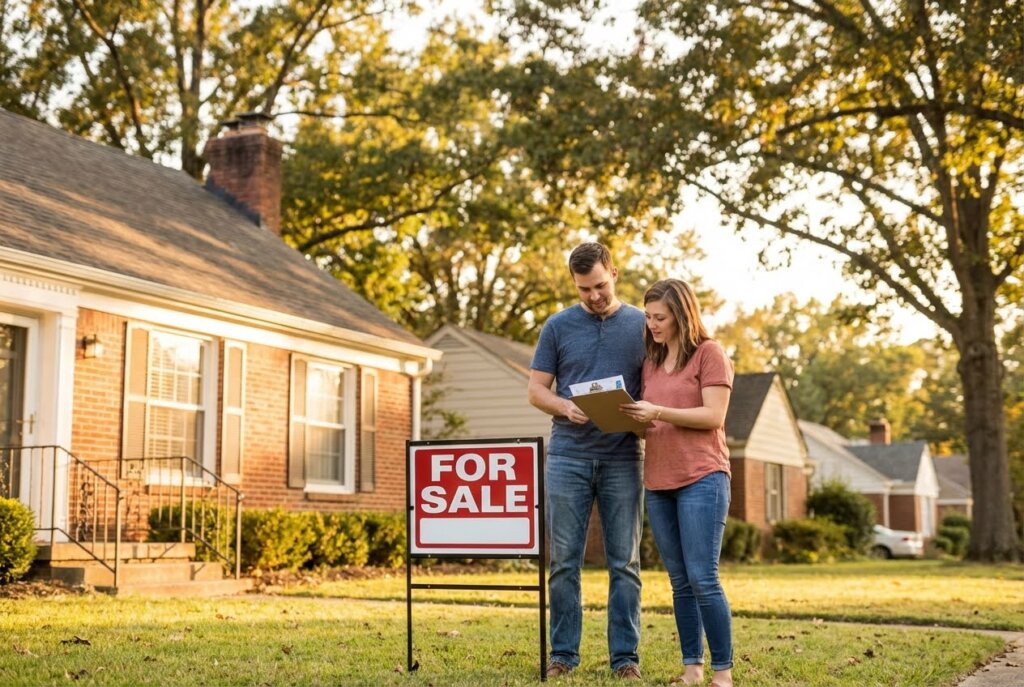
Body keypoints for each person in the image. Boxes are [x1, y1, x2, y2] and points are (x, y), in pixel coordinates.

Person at [527, 242, 646, 680]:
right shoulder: (557, 326)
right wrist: (563, 407)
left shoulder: (642, 324)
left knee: (625, 563)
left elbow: (658, 385)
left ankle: (625, 658)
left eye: (599, 285)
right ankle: (563, 655)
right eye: (584, 290)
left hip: (623, 457)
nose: (594, 296)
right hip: (568, 455)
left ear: (613, 272)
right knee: (563, 562)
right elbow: (536, 390)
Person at [621, 278, 736, 687]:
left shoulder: (710, 354)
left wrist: (659, 411)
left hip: (703, 477)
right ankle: (692, 669)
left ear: (682, 315)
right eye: (648, 317)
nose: (651, 324)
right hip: (658, 481)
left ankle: (722, 674)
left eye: (660, 317)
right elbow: (651, 425)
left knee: (703, 577)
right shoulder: (650, 363)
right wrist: (627, 420)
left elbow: (713, 417)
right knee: (680, 582)